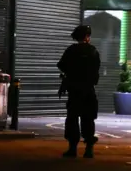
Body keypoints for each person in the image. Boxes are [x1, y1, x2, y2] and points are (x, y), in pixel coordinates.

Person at [57, 24, 101, 159]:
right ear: (87, 36)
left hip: (74, 90)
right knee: (88, 119)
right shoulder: (93, 51)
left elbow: (61, 66)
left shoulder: (71, 50)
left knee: (72, 118)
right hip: (88, 90)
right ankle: (89, 149)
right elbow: (96, 70)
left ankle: (72, 148)